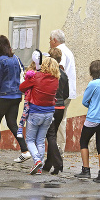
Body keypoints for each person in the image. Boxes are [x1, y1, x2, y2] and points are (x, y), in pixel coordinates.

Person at [0, 35, 30, 162]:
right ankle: (25, 150)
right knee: (12, 123)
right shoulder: (16, 58)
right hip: (16, 95)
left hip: (3, 96)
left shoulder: (0, 61)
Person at [74, 60, 100, 183]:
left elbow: (85, 101)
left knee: (84, 141)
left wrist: (92, 106)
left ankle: (86, 170)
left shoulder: (93, 84)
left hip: (93, 118)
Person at [19, 57, 59, 175]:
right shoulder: (56, 80)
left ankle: (37, 161)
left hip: (35, 112)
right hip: (49, 113)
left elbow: (22, 87)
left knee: (30, 140)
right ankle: (39, 168)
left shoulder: (36, 77)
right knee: (40, 141)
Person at [42, 47, 69, 175]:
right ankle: (48, 164)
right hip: (60, 108)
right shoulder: (63, 74)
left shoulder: (49, 73)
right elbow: (66, 93)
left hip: (51, 107)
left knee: (50, 136)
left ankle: (58, 163)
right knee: (53, 135)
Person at [49, 29, 76, 152]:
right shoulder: (68, 50)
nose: (49, 42)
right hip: (66, 92)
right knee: (60, 120)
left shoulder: (61, 52)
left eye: (50, 39)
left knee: (58, 123)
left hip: (60, 93)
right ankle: (57, 149)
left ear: (54, 40)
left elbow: (59, 68)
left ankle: (58, 150)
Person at [16, 49, 43, 139]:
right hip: (31, 98)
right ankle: (20, 127)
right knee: (26, 112)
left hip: (34, 99)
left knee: (27, 114)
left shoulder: (40, 74)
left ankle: (21, 127)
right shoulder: (31, 74)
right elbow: (25, 82)